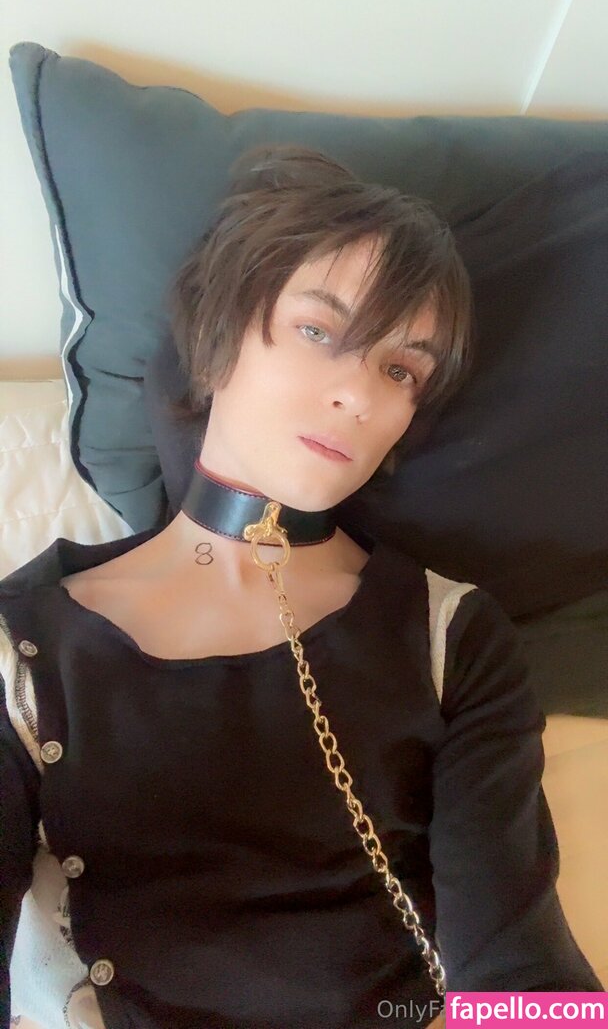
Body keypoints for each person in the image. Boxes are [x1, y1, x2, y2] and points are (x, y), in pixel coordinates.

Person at [0, 145, 602, 1029]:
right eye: (321, 331)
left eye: (400, 370)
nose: (359, 395)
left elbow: (518, 966)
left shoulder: (452, 636)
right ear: (218, 339)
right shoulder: (23, 646)